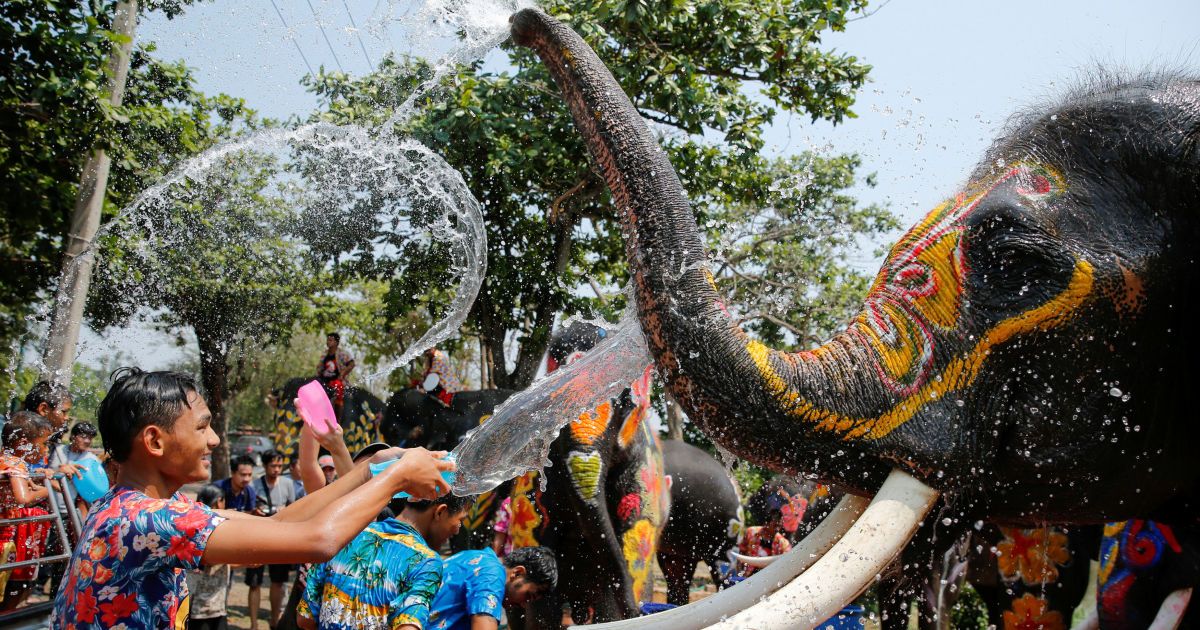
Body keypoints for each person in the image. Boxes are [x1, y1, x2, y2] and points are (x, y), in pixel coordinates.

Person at [51, 367, 454, 630]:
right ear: (155, 441)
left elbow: (280, 525)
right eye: (202, 428)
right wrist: (397, 477)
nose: (214, 440)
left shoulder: (130, 508)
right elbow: (319, 540)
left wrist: (371, 470)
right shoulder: (146, 520)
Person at [297, 490, 472, 630]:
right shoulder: (426, 562)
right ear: (440, 512)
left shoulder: (346, 535)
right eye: (460, 520)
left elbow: (304, 618)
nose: (457, 530)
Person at [0, 411, 56, 610]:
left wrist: (37, 481)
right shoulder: (15, 464)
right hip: (4, 537)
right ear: (23, 442)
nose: (45, 450)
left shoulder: (5, 458)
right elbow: (23, 498)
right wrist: (48, 490)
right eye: (43, 443)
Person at [429, 546, 558, 630]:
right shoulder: (493, 576)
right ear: (517, 573)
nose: (524, 605)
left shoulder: (477, 556)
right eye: (528, 595)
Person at [248, 449, 298, 630]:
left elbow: (294, 508)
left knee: (278, 581)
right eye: (273, 465)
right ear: (265, 465)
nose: (276, 469)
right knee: (255, 582)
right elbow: (249, 510)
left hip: (279, 538)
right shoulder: (254, 485)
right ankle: (254, 623)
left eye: (279, 466)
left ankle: (275, 619)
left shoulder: (288, 484)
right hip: (257, 537)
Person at [186, 485, 230, 630]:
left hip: (203, 599)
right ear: (219, 501)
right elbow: (212, 559)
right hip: (205, 603)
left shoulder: (194, 522)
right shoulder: (215, 526)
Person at [736, 487, 794, 577]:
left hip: (769, 578)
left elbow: (789, 559)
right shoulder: (751, 532)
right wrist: (739, 573)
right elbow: (741, 552)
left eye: (779, 526)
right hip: (748, 576)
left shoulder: (783, 543)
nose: (777, 529)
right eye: (775, 526)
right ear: (766, 524)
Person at [317, 332, 355, 419]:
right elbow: (319, 369)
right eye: (327, 340)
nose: (328, 342)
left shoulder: (342, 353)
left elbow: (352, 364)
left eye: (330, 340)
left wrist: (342, 374)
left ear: (336, 342)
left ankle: (337, 419)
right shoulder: (324, 354)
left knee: (338, 387)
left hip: (336, 380)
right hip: (324, 380)